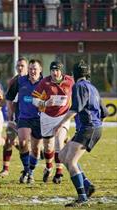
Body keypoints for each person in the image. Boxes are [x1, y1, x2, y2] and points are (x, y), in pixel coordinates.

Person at [53, 60, 108, 207]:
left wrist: (59, 125)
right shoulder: (93, 88)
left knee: (71, 161)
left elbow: (74, 110)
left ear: (74, 74)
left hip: (88, 129)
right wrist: (96, 125)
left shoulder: (78, 86)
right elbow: (105, 112)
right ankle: (87, 185)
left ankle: (82, 197)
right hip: (90, 128)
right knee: (62, 155)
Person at [31, 61, 74, 184]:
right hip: (47, 117)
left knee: (59, 143)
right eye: (52, 70)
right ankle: (49, 166)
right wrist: (44, 103)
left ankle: (59, 172)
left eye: (57, 70)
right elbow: (34, 99)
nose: (55, 73)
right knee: (47, 146)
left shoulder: (70, 81)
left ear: (62, 71)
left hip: (63, 117)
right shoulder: (45, 82)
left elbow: (78, 91)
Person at [0, 57, 28, 177]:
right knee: (8, 141)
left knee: (25, 144)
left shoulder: (35, 80)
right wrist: (10, 118)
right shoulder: (14, 81)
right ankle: (5, 169)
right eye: (18, 66)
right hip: (16, 117)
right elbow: (9, 100)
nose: (20, 68)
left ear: (27, 67)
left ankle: (28, 169)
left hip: (30, 118)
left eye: (22, 65)